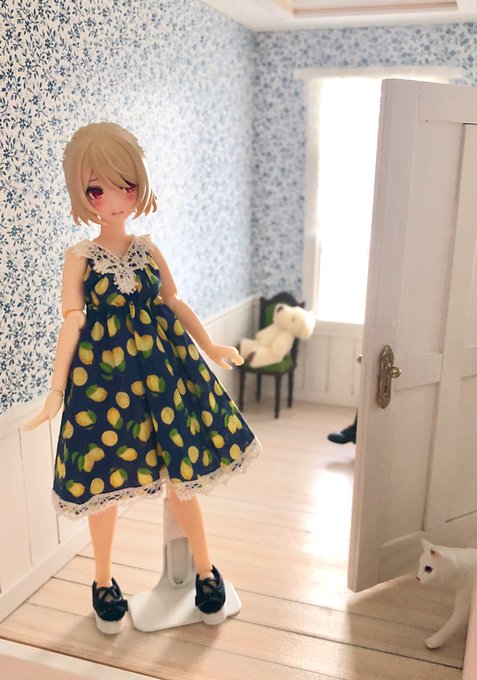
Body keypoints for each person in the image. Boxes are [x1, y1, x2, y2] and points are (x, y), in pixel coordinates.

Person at [24, 122, 261, 634]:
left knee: (182, 476)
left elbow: (172, 301)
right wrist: (56, 391)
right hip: (105, 384)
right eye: (98, 189)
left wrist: (210, 346)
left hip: (165, 375)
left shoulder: (148, 249)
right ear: (82, 194)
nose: (115, 199)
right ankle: (102, 580)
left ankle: (205, 571)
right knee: (104, 482)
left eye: (126, 185)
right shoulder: (79, 257)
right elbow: (72, 321)